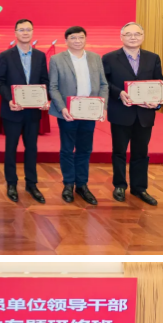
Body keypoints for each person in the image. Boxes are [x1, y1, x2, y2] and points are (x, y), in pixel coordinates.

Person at [102, 22, 163, 206]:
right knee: (119, 152)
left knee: (141, 152)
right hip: (121, 112)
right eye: (128, 34)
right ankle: (119, 185)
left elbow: (158, 82)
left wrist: (156, 101)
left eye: (137, 34)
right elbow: (104, 82)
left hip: (145, 114)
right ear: (121, 37)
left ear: (142, 37)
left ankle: (139, 188)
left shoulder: (153, 58)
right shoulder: (109, 58)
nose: (133, 37)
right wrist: (118, 93)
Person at [49, 26, 109, 205]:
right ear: (66, 41)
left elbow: (104, 85)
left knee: (84, 149)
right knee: (67, 149)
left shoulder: (95, 58)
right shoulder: (56, 59)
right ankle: (68, 184)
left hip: (89, 111)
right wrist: (62, 108)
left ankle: (82, 185)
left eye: (81, 37)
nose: (77, 41)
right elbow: (53, 87)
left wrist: (102, 106)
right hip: (68, 112)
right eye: (73, 38)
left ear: (85, 39)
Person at [0, 19, 50, 204]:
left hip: (33, 112)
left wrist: (44, 99)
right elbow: (0, 82)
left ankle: (31, 184)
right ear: (15, 33)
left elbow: (44, 81)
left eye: (28, 29)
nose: (25, 32)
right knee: (11, 148)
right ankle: (11, 183)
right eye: (21, 30)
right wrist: (10, 99)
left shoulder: (40, 56)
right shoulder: (5, 55)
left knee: (31, 148)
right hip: (13, 110)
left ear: (33, 32)